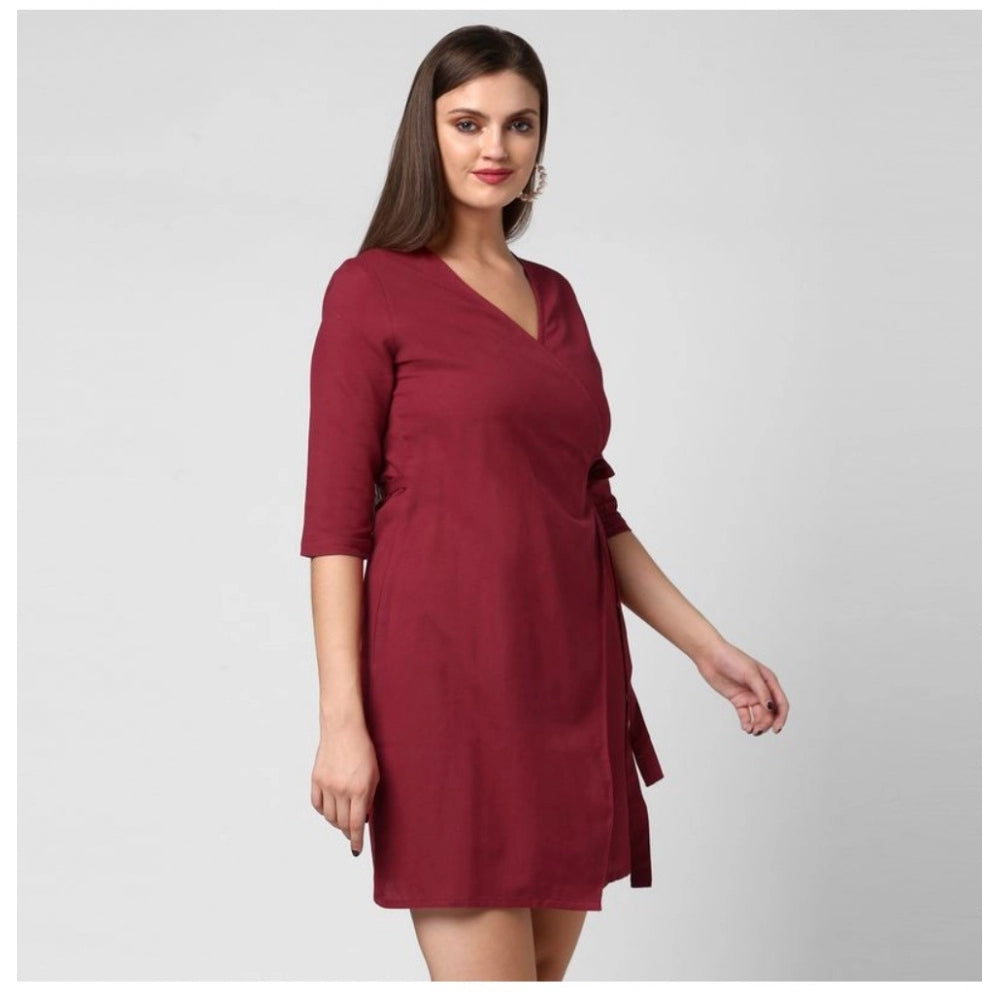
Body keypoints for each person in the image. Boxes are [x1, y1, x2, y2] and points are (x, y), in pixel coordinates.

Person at [299, 24, 789, 982]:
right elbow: (334, 530)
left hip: (568, 682)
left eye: (519, 125)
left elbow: (591, 505)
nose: (496, 147)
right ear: (425, 134)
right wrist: (341, 722)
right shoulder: (371, 292)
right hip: (447, 687)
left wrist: (706, 647)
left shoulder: (556, 298)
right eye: (468, 122)